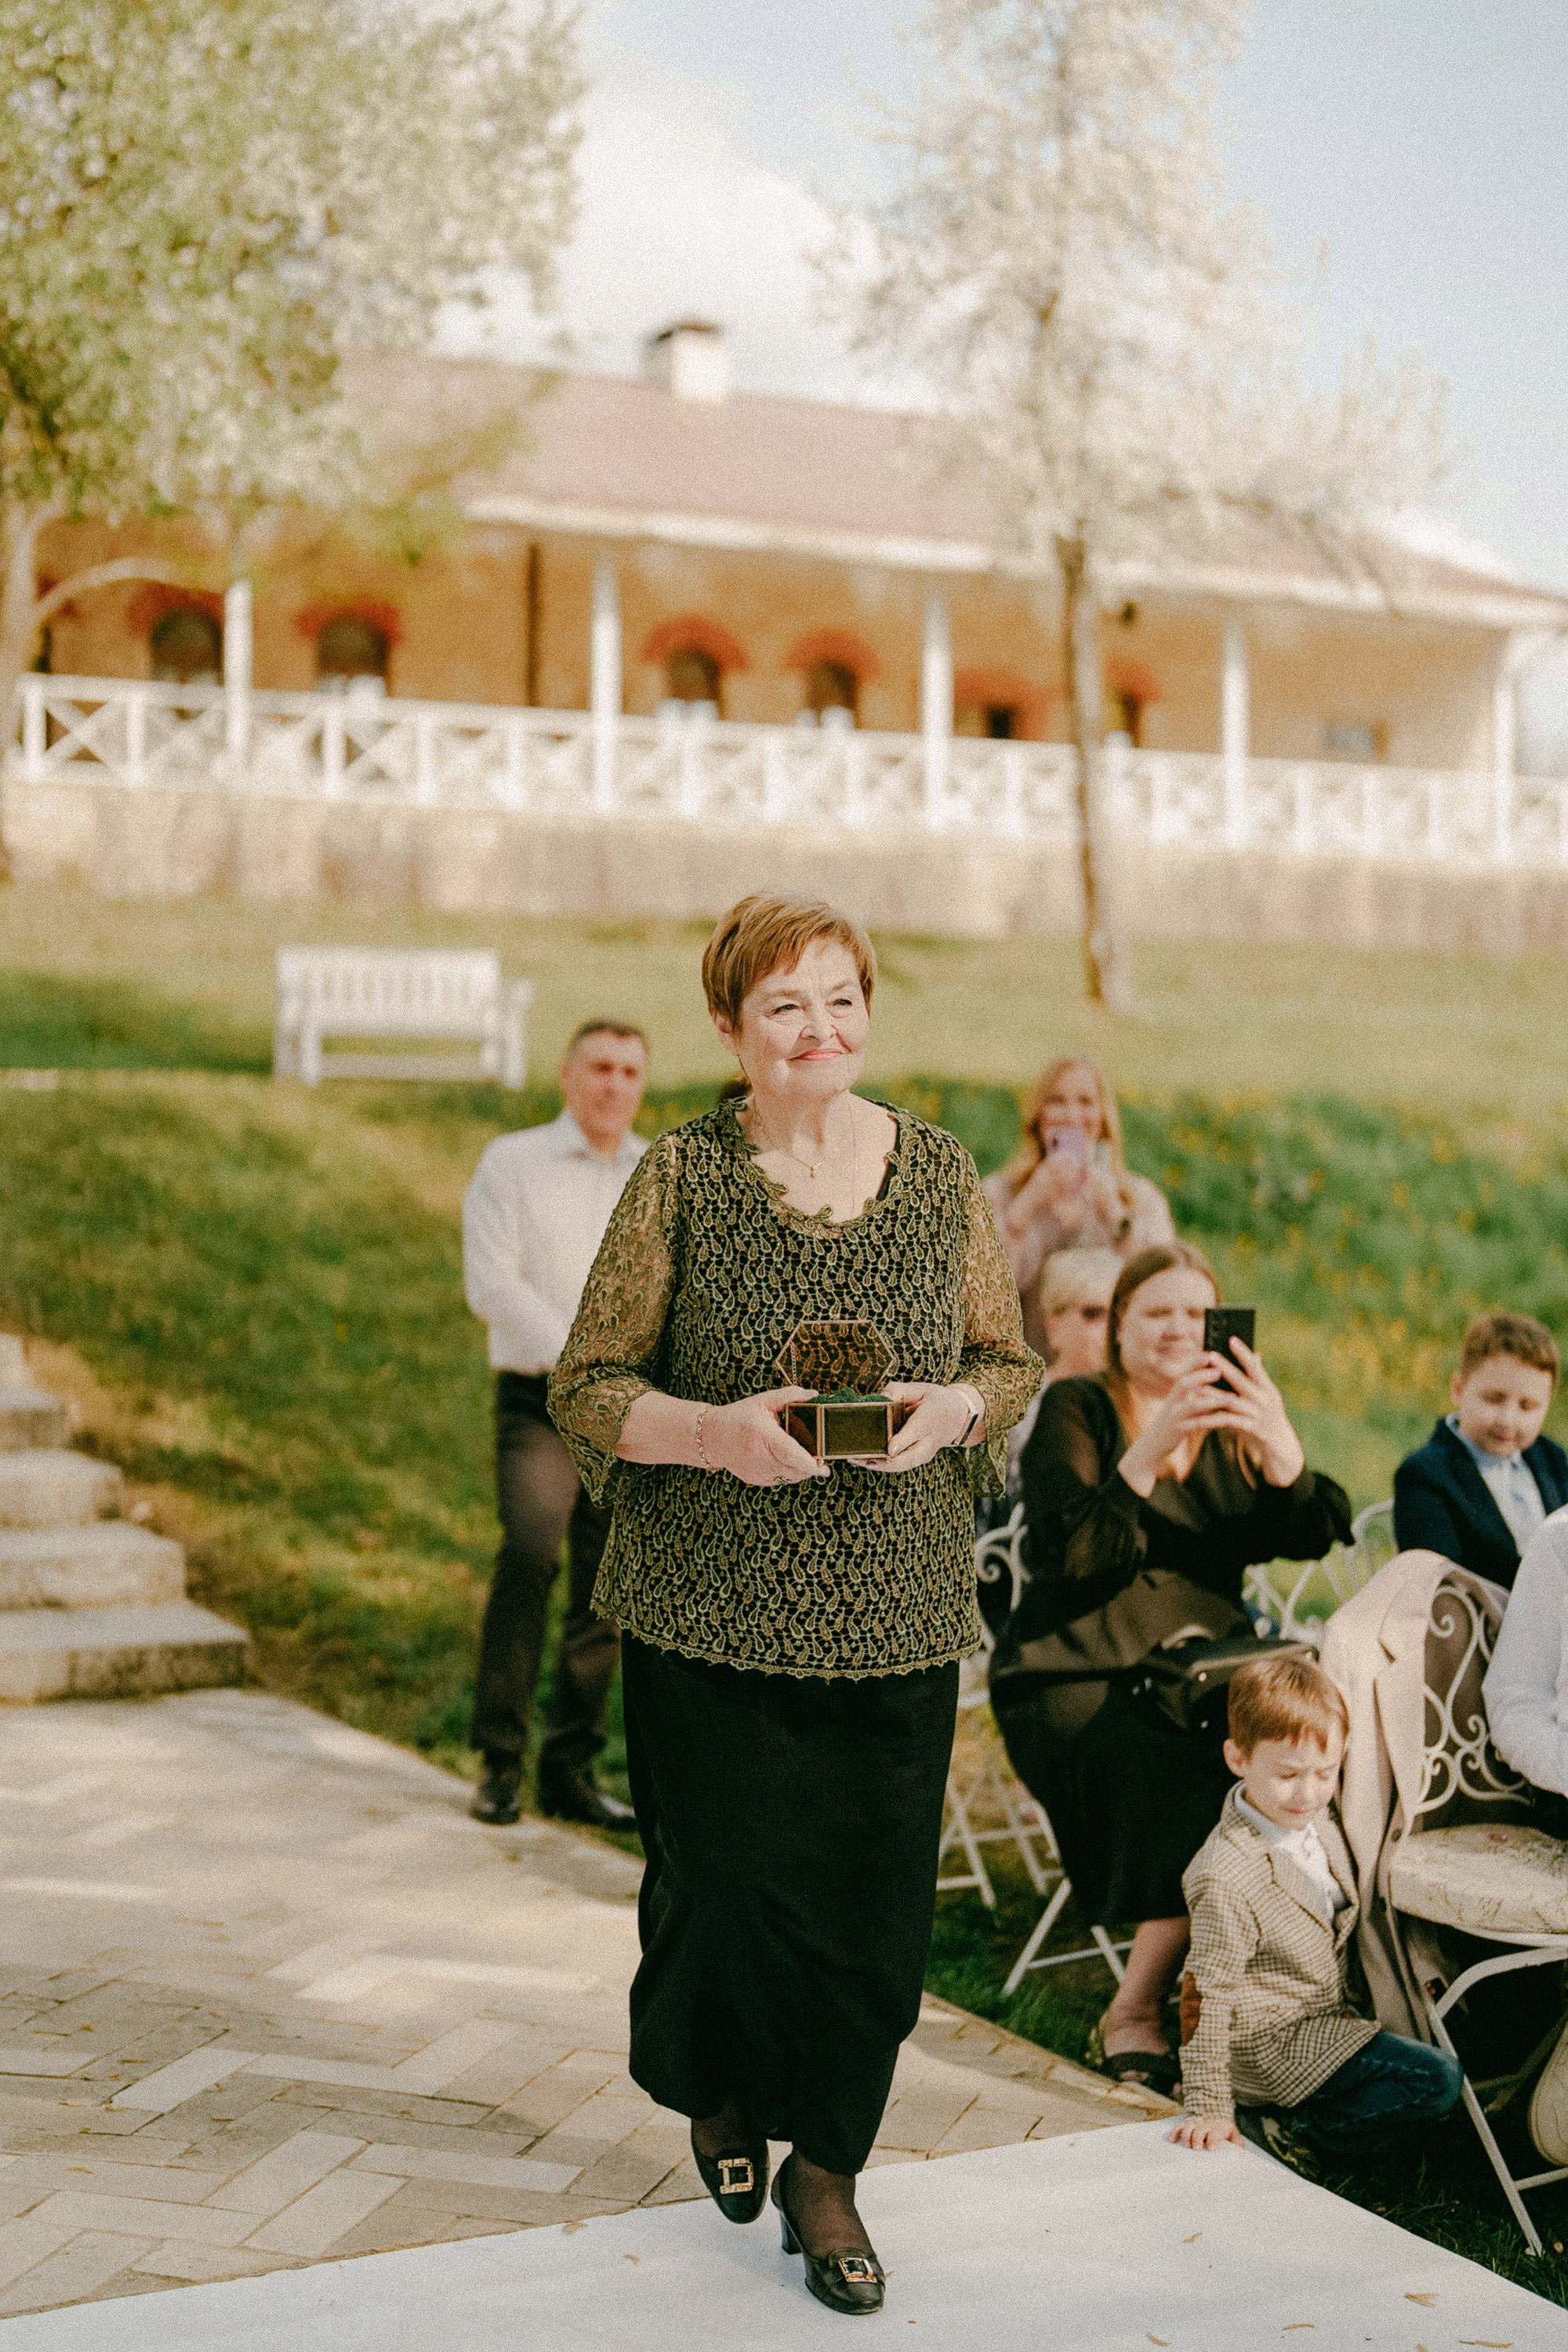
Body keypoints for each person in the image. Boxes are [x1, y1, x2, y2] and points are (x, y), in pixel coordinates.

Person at [549, 893, 1039, 2318]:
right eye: (785, 1007)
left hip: (892, 1611)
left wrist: (950, 1408)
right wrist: (714, 1433)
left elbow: (1006, 1365)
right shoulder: (682, 1179)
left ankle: (830, 2169)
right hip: (707, 1606)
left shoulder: (941, 1173)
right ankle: (712, 2092)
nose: (819, 1030)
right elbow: (585, 1383)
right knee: (718, 1892)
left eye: (840, 1000)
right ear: (730, 1030)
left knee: (870, 1913)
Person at [989, 1241, 1351, 2097]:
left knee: (1299, 1753)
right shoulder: (1077, 1406)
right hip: (1074, 1668)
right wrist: (1154, 1442)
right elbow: (1068, 1552)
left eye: (1196, 1315)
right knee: (1194, 1781)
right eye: (1156, 1313)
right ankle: (1135, 2009)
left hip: (1200, 1669)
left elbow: (1311, 1530)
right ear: (1117, 1330)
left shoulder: (1234, 1423)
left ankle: (1286, 1987)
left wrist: (1277, 1442)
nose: (1178, 1331)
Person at [463, 1020, 650, 1830]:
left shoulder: (654, 1172)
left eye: (628, 1071)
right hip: (539, 1401)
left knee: (606, 1589)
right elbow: (491, 1285)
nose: (613, 1084)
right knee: (531, 1551)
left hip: (628, 1411)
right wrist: (582, 1363)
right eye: (599, 1068)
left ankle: (569, 1765)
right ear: (568, 1076)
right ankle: (498, 1761)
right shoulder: (513, 1163)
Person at [1171, 1653, 1462, 2168]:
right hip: (1268, 2044)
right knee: (1435, 2079)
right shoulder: (1227, 1873)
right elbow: (1204, 1995)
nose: (1308, 1793)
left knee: (1441, 2070)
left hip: (1328, 2020)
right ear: (1238, 1759)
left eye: (1325, 1773)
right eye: (1288, 1774)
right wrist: (1209, 2104)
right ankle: (1287, 2134)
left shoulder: (1316, 1824)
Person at [984, 1054, 1174, 1359]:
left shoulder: (1139, 1197)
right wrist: (1028, 1204)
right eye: (1057, 1100)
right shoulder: (1001, 1193)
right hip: (1025, 1369)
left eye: (1086, 1101)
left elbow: (1165, 1286)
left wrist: (1115, 1214)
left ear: (1103, 1117)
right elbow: (982, 1290)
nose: (1072, 1115)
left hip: (1114, 1370)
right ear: (1038, 1115)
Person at [1392, 1311, 1567, 1588]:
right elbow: (1435, 1583)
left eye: (1527, 1406)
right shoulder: (1426, 1475)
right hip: (1476, 1622)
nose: (1508, 1420)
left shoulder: (1552, 1460)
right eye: (1494, 1399)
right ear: (1459, 1389)